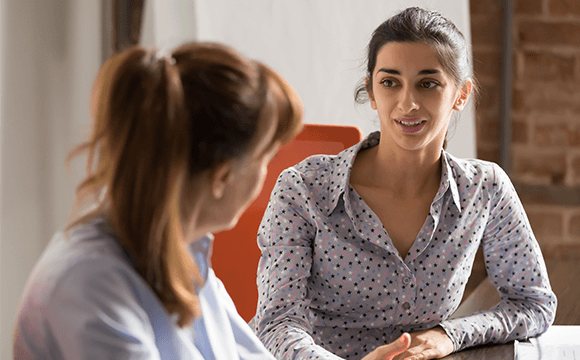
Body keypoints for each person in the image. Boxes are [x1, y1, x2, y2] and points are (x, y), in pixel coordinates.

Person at [250, 7, 557, 360]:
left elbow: (533, 303)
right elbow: (277, 323)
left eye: (428, 84)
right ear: (371, 90)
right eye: (389, 82)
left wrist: (449, 335)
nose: (407, 103)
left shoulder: (484, 189)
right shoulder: (303, 189)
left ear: (461, 94)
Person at [13, 41, 321, 359]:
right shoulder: (90, 287)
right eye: (265, 158)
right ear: (223, 177)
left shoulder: (186, 255)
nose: (268, 176)